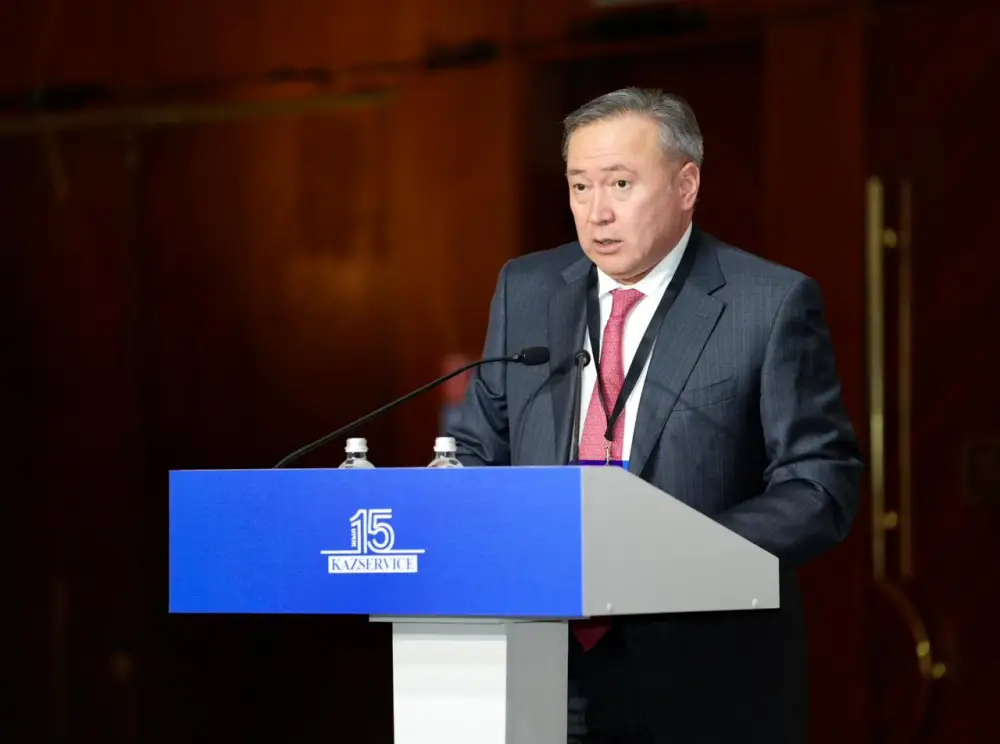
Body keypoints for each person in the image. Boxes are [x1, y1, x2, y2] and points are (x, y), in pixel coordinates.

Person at [447, 87, 862, 744]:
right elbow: (474, 448)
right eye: (579, 187)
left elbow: (820, 485)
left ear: (686, 185)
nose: (597, 212)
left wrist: (676, 550)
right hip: (539, 657)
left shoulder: (768, 303)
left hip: (702, 674)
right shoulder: (525, 289)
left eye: (620, 183)